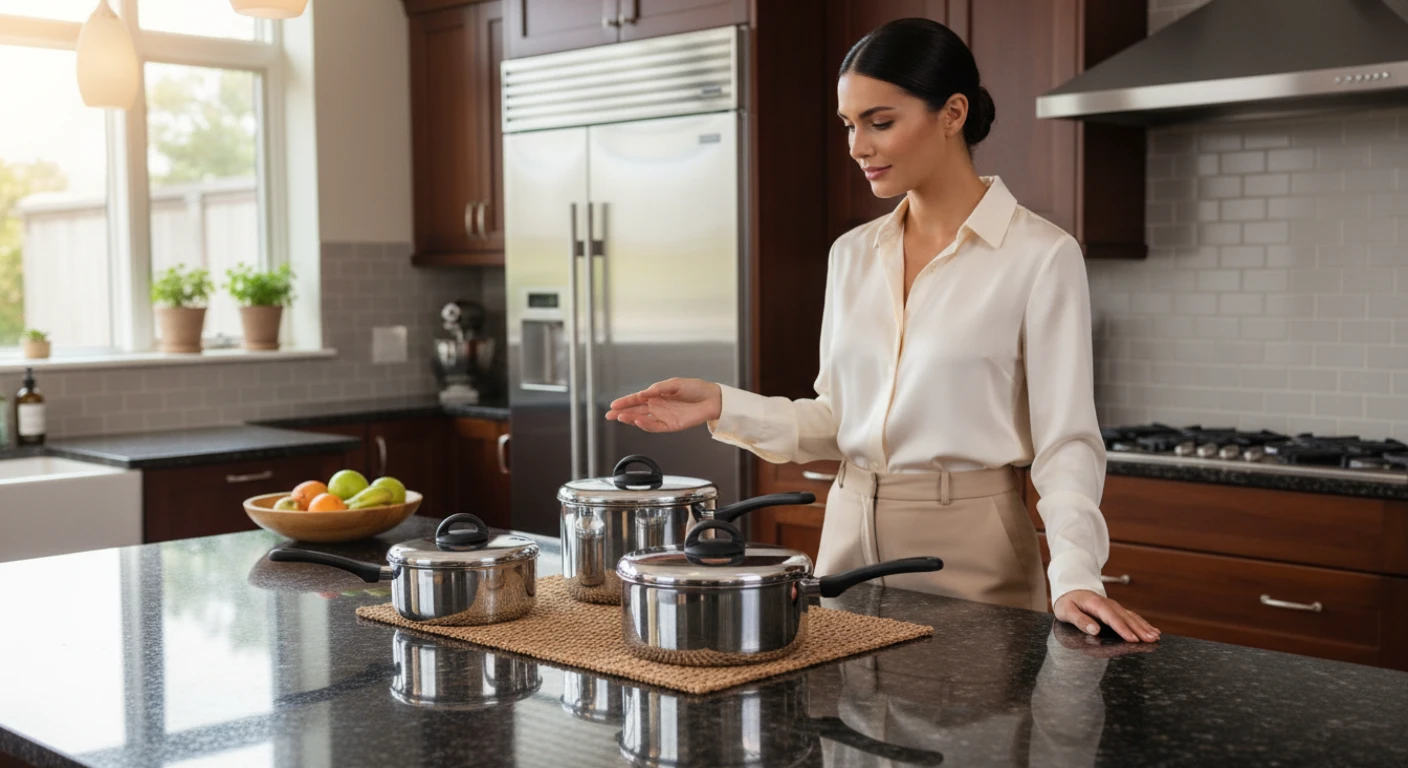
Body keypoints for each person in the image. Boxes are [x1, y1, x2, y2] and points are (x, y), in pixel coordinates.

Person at [606, 18, 1159, 643]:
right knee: (846, 733)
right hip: (845, 545)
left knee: (974, 735)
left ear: (952, 112)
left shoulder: (1041, 256)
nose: (857, 146)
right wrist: (722, 404)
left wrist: (1077, 574)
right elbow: (839, 422)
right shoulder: (852, 254)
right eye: (849, 124)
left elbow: (1066, 444)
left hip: (973, 552)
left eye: (880, 121)